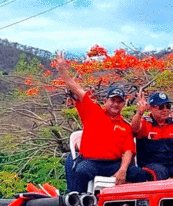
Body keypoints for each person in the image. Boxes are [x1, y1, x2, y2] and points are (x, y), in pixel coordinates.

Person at [55, 53, 150, 192]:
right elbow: (75, 87)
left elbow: (129, 150)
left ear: (124, 104)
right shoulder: (93, 111)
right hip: (91, 162)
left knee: (139, 174)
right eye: (112, 100)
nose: (115, 104)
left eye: (119, 101)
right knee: (81, 172)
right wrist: (63, 71)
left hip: (113, 164)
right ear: (105, 101)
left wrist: (123, 170)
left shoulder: (125, 126)